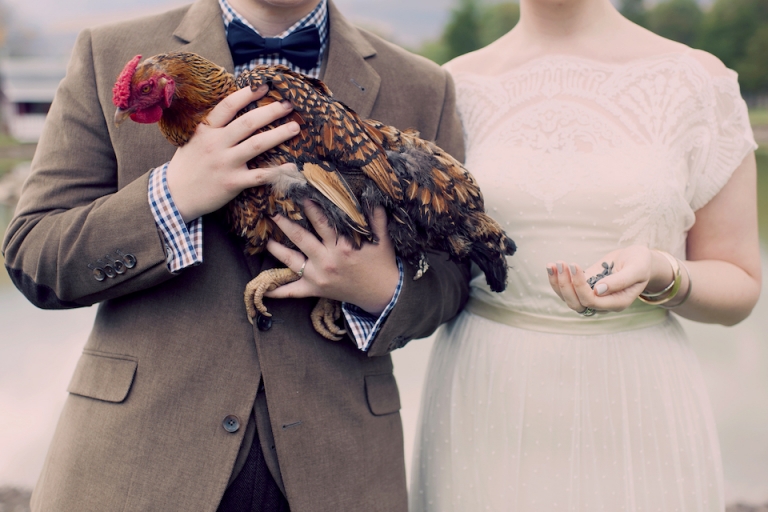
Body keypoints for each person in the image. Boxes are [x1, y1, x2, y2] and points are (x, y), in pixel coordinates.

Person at [1, 0, 470, 510]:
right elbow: (35, 256)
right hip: (139, 463)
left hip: (338, 469)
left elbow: (453, 277)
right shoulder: (104, 51)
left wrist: (383, 288)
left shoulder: (425, 84)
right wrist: (172, 195)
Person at [410, 0, 761, 510]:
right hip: (486, 396)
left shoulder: (700, 82)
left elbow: (741, 283)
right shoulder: (448, 86)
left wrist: (662, 273)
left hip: (636, 396)